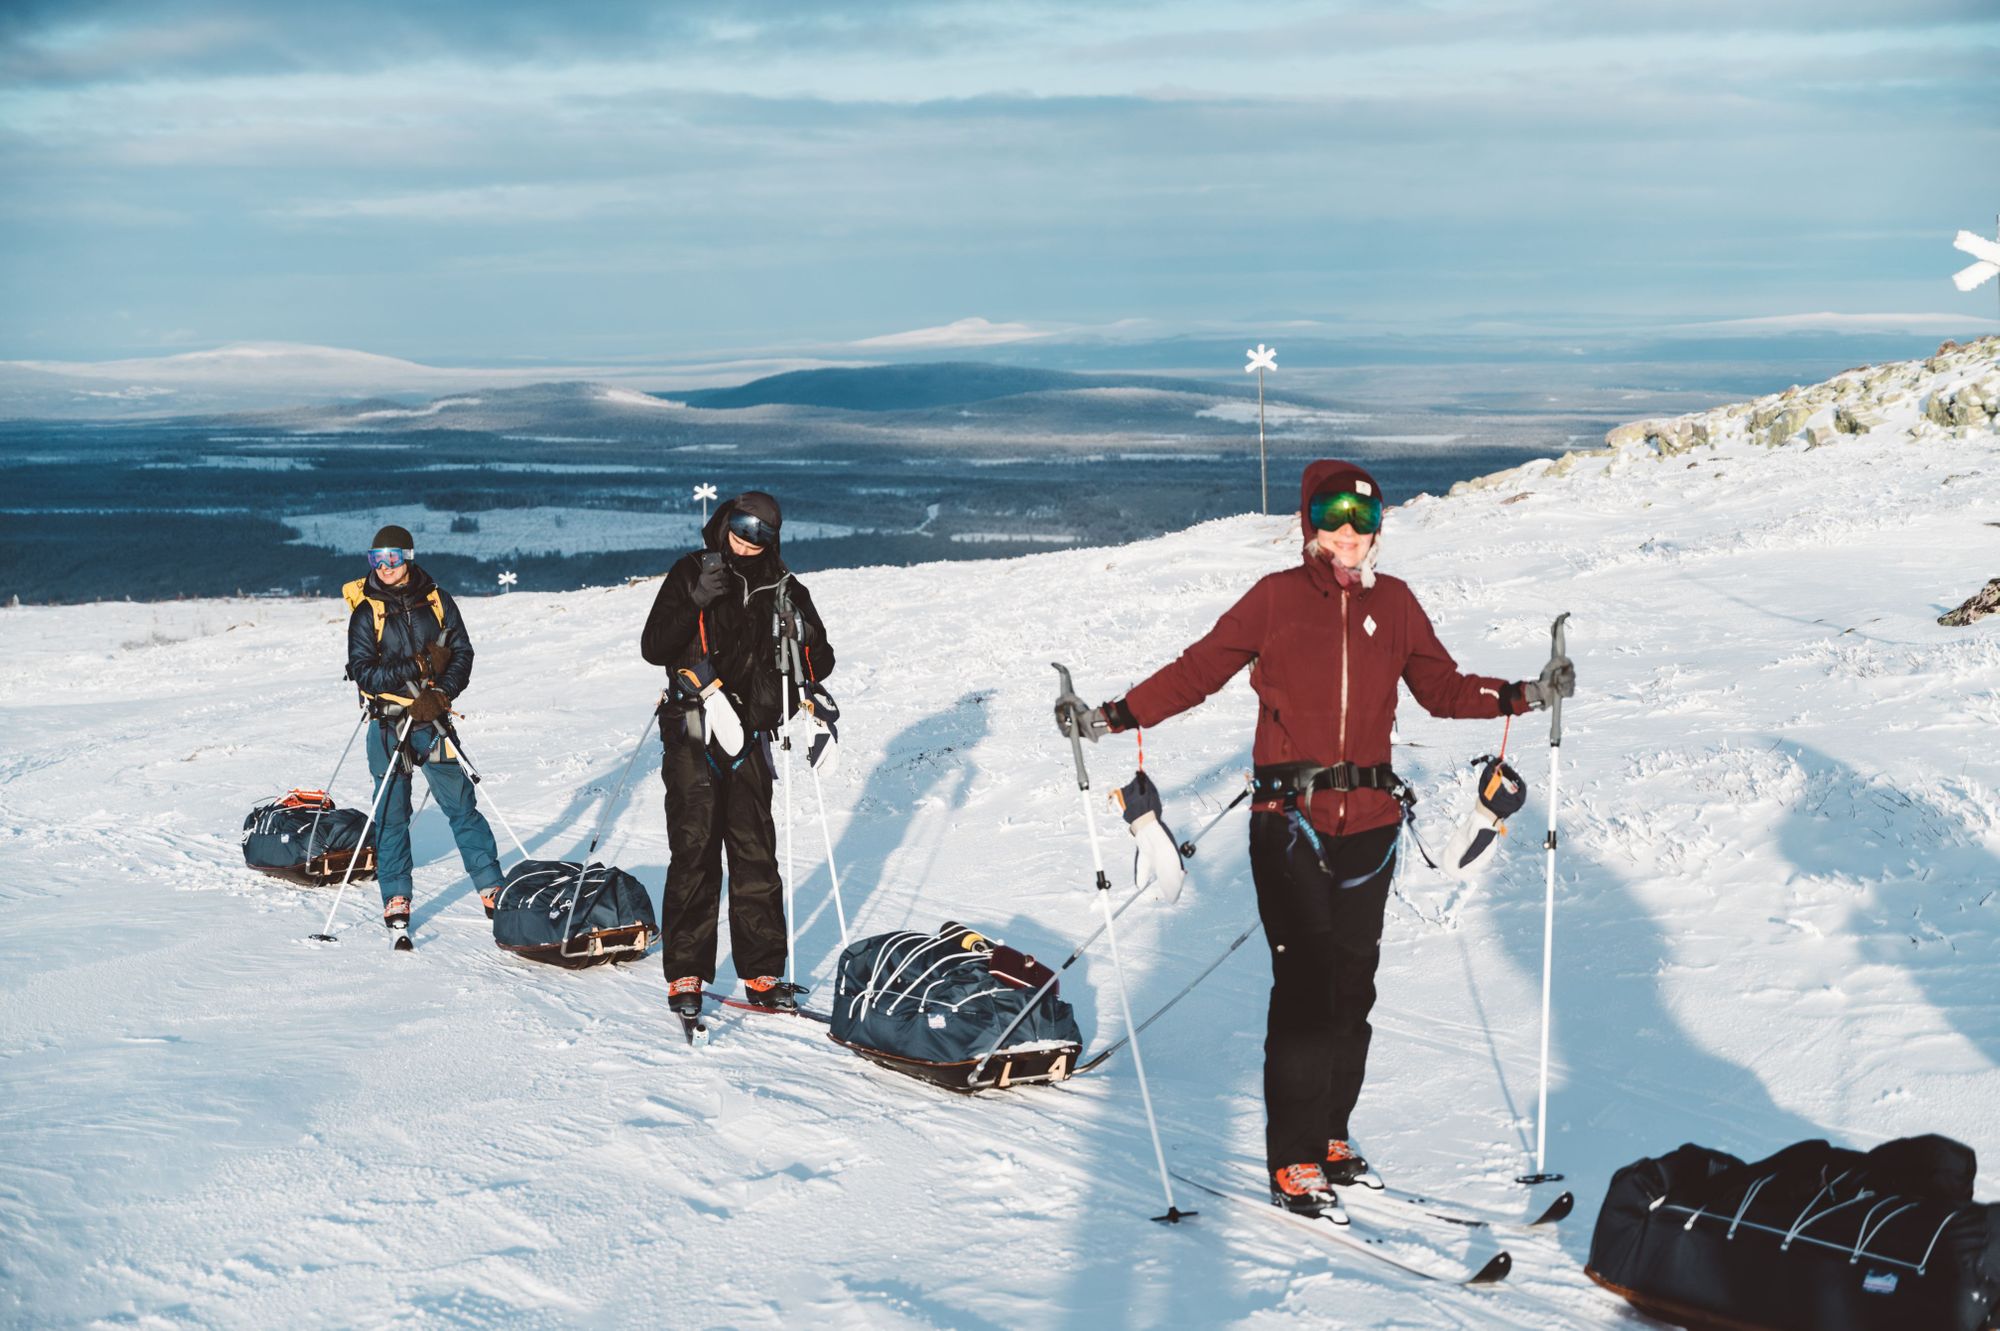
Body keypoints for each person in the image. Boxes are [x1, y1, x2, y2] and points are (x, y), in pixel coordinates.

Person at [1056, 460, 1574, 1218]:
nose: (1346, 535)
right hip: (1287, 824)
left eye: (1361, 521)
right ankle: (1293, 1158)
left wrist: (1523, 694)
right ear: (1308, 524)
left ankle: (1331, 1135)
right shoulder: (1274, 600)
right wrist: (1112, 715)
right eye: (1331, 518)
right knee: (1303, 993)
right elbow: (1198, 670)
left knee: (1351, 991)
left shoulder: (1395, 605)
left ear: (1378, 529)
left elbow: (1442, 687)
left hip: (1371, 826)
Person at [641, 492, 835, 1017]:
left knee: (754, 856)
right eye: (743, 527)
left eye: (762, 534)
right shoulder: (691, 572)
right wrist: (695, 602)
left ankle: (761, 970)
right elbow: (655, 647)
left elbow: (820, 661)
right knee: (695, 851)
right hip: (693, 731)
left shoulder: (785, 588)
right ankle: (686, 972)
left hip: (751, 736)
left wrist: (808, 636)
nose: (748, 541)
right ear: (726, 519)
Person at [343, 524, 505, 945]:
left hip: (431, 724)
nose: (386, 567)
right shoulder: (366, 612)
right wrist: (415, 669)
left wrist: (442, 692)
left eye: (393, 557)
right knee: (392, 814)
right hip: (388, 727)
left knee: (461, 804)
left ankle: (491, 885)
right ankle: (396, 895)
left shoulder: (436, 599)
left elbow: (462, 653)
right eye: (377, 559)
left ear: (408, 556)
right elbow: (364, 672)